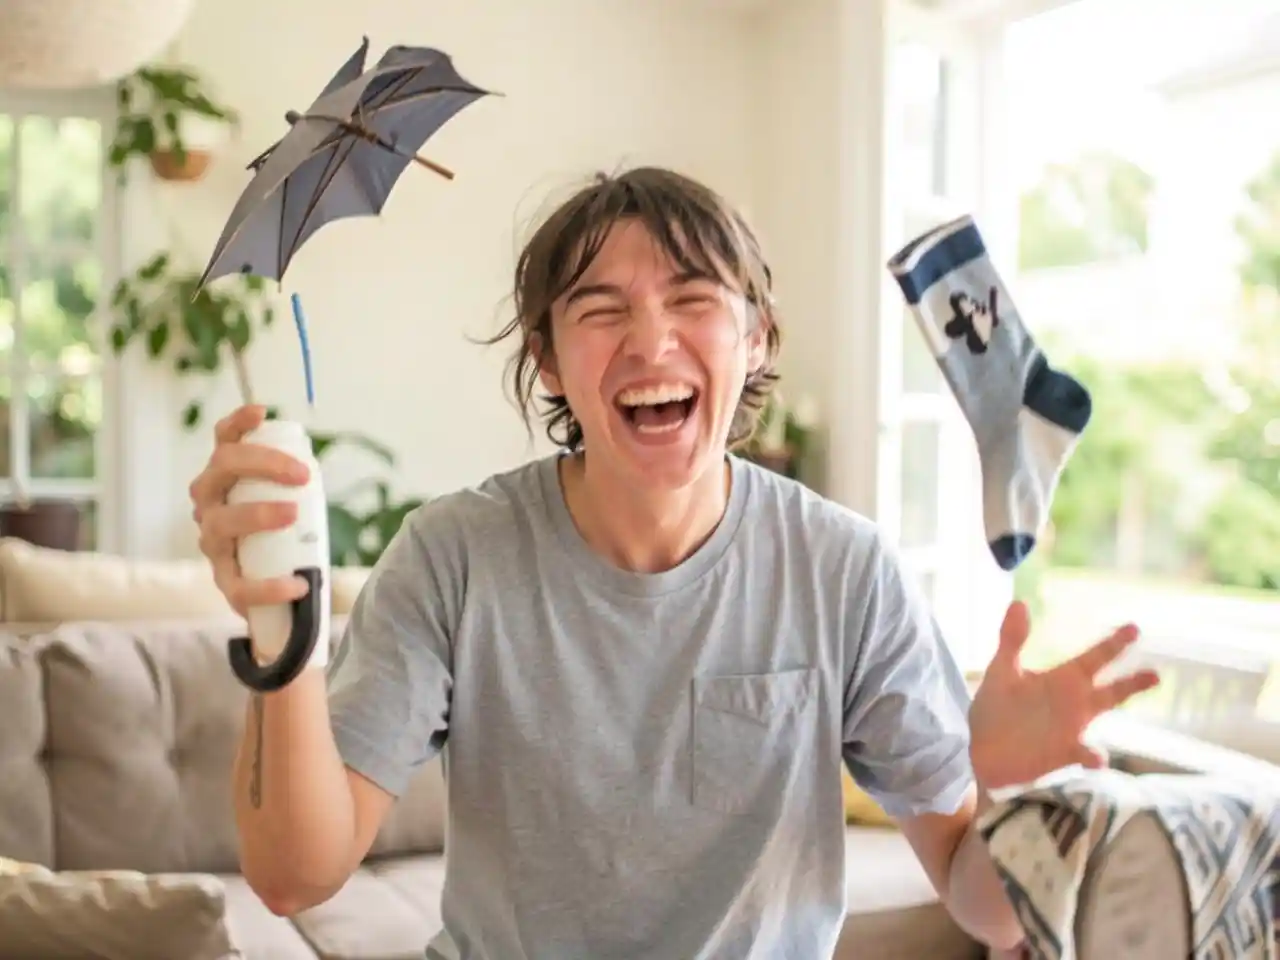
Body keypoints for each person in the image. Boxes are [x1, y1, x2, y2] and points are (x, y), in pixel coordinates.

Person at [188, 166, 1158, 959]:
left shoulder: (846, 571)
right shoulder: (452, 556)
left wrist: (998, 795)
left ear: (754, 336)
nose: (649, 340)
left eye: (692, 299)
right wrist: (285, 631)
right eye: (599, 310)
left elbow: (983, 908)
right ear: (549, 360)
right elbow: (292, 877)